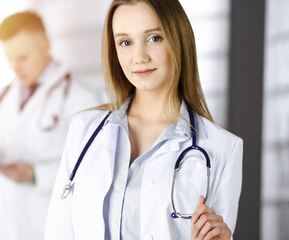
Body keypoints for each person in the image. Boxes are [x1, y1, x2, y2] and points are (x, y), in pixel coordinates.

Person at [45, 0, 243, 240]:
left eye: (154, 38)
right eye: (125, 42)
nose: (139, 57)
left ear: (178, 39)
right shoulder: (85, 130)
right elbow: (59, 231)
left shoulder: (222, 148)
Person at [0, 11, 100, 240]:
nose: (15, 67)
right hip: (0, 226)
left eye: (22, 57)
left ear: (45, 46)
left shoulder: (82, 98)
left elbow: (95, 169)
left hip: (44, 225)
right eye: (10, 58)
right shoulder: (0, 96)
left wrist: (36, 174)